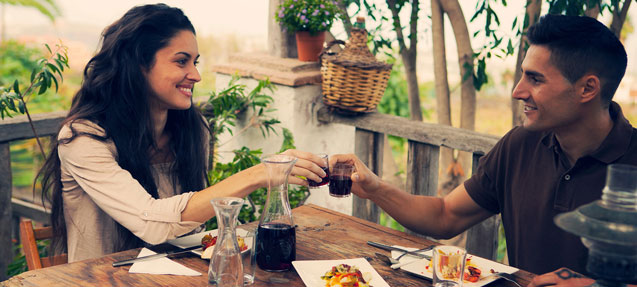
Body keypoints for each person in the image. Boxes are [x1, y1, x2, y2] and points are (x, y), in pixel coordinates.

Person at [330, 14, 636, 286]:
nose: (518, 91)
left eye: (535, 79)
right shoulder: (520, 144)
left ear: (587, 88)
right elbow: (445, 215)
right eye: (522, 75)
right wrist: (375, 189)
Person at [38, 3, 326, 262]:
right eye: (181, 61)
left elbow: (188, 230)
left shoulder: (191, 130)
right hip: (97, 281)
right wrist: (259, 173)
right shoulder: (83, 139)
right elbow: (153, 224)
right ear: (138, 66)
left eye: (195, 62)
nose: (196, 75)